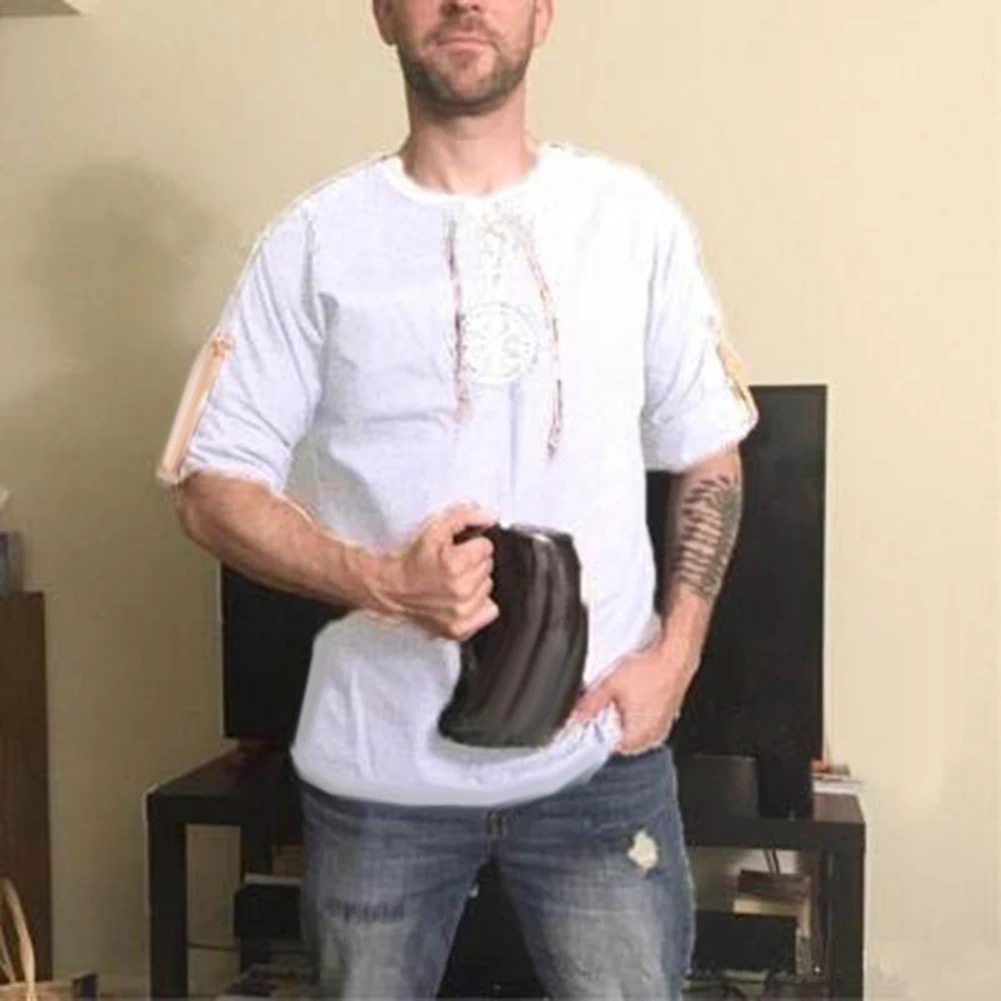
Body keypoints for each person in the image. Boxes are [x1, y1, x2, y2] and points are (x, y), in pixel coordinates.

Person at [157, 1, 759, 997]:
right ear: (383, 14)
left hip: (598, 764)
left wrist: (678, 653)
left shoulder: (631, 221)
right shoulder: (311, 243)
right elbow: (207, 485)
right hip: (380, 779)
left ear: (543, 14)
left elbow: (709, 452)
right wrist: (383, 581)